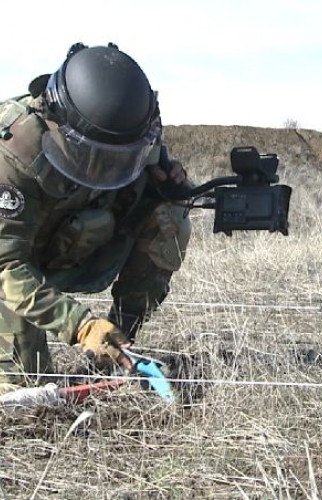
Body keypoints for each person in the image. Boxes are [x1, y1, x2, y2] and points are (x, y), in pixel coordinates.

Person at [0, 43, 192, 395]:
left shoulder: (137, 136)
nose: (101, 166)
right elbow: (6, 267)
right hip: (13, 264)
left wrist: (166, 184)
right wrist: (80, 325)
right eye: (89, 154)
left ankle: (118, 345)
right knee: (26, 388)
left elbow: (146, 183)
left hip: (68, 244)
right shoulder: (11, 154)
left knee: (170, 217)